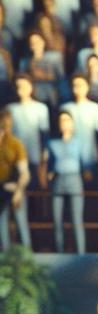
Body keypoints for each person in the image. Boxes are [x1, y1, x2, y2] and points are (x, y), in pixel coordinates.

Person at [42, 109, 86, 253]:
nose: (64, 123)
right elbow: (48, 164)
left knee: (76, 220)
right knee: (57, 220)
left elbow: (85, 162)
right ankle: (59, 251)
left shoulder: (79, 142)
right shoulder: (52, 143)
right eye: (62, 120)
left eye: (67, 120)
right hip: (58, 181)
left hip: (74, 179)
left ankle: (81, 252)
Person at [0, 107, 30, 250]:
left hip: (14, 186)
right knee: (2, 224)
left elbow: (24, 172)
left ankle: (27, 255)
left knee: (20, 222)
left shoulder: (15, 144)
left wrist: (18, 190)